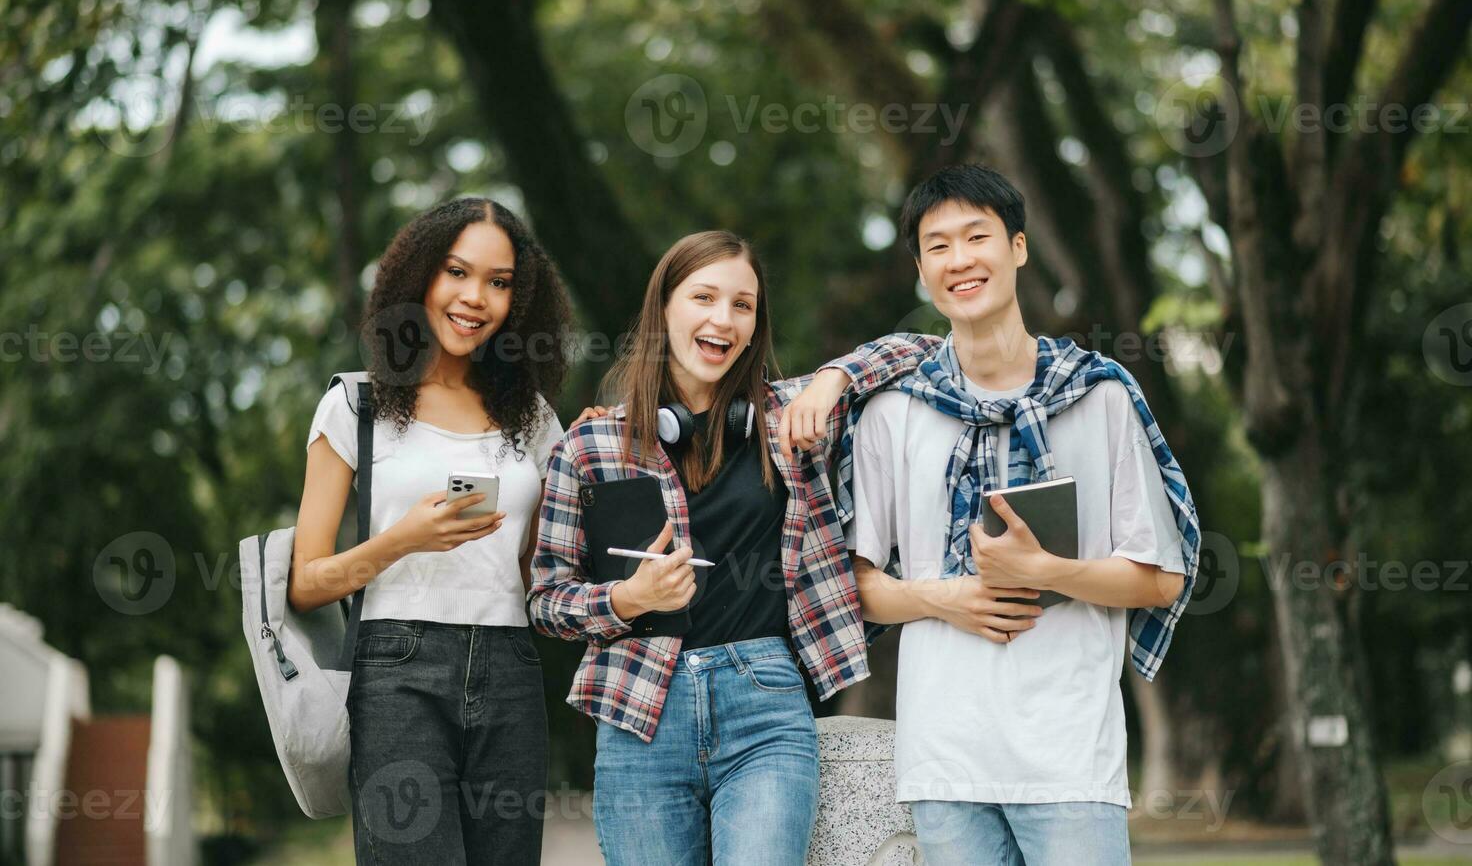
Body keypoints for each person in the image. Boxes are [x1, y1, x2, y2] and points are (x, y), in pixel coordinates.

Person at [528, 230, 938, 865]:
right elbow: (548, 602)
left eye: (742, 305)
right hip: (639, 709)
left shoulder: (790, 419)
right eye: (704, 297)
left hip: (766, 706)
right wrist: (627, 599)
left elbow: (927, 351)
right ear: (662, 308)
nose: (723, 319)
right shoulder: (589, 447)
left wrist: (831, 380)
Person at [840, 164, 1200, 866]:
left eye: (978, 236)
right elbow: (857, 589)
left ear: (1019, 248)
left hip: (1069, 753)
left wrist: (1047, 571)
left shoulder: (1099, 399)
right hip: (944, 757)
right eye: (937, 246)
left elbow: (1160, 579)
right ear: (920, 270)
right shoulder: (892, 412)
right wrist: (948, 598)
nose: (960, 259)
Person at [290, 197, 571, 864]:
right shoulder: (355, 406)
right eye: (457, 272)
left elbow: (546, 571)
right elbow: (305, 584)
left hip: (510, 669)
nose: (476, 297)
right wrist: (403, 538)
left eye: (499, 282)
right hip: (397, 672)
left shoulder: (532, 419)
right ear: (419, 277)